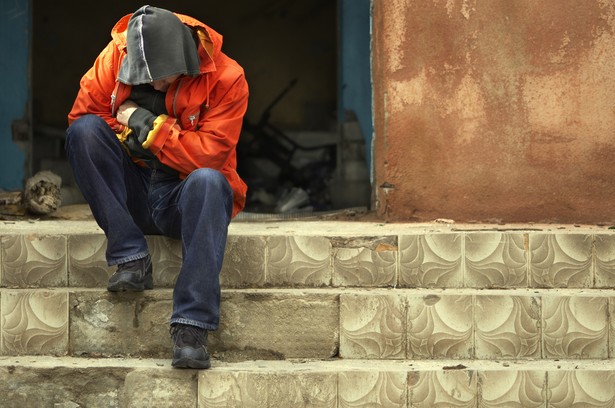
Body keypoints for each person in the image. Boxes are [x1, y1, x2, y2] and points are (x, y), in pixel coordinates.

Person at [65, 5, 249, 369]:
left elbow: (207, 157)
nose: (154, 84)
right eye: (144, 77)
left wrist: (143, 123)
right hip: (132, 185)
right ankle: (130, 257)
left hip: (181, 196)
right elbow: (86, 116)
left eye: (163, 77)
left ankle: (192, 327)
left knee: (211, 181)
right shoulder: (114, 55)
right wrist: (159, 140)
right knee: (83, 133)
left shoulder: (228, 77)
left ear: (186, 59)